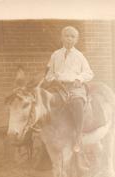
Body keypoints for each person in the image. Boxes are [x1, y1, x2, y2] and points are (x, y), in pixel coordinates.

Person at [45, 26, 94, 156]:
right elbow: (49, 74)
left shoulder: (79, 56)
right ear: (61, 38)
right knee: (46, 102)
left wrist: (80, 78)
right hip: (58, 87)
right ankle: (47, 136)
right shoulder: (55, 55)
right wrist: (53, 80)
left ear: (76, 40)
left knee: (77, 102)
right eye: (67, 36)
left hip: (75, 86)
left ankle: (78, 136)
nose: (69, 39)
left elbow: (89, 73)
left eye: (73, 36)